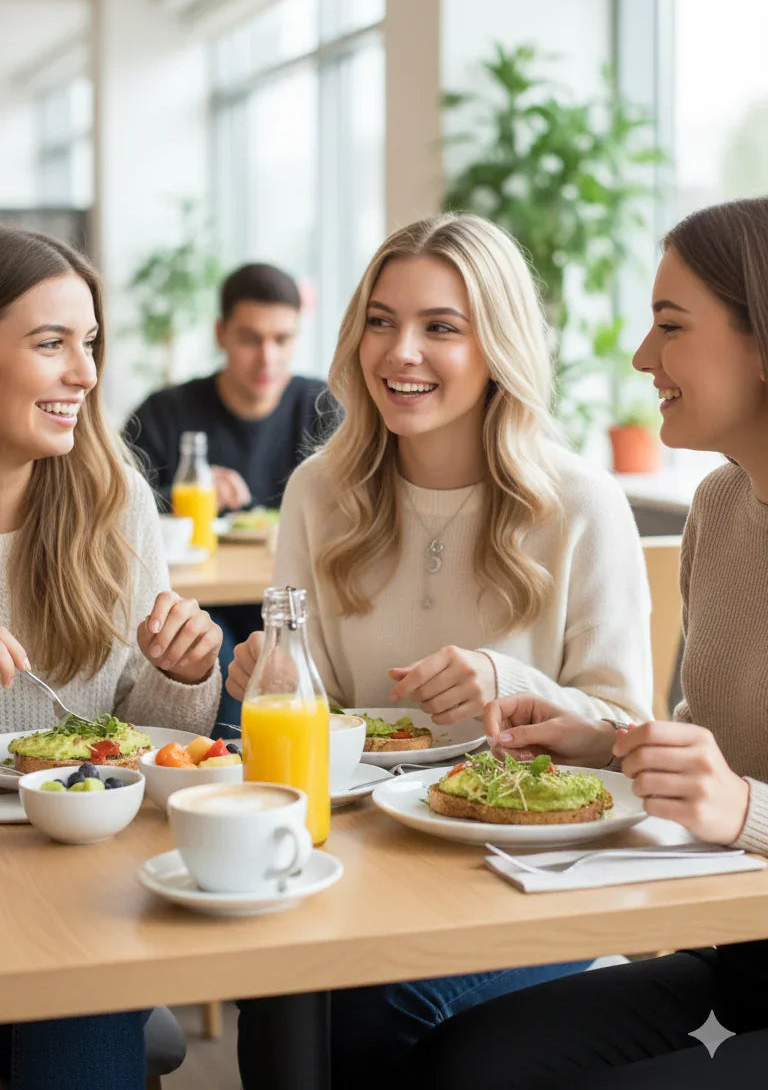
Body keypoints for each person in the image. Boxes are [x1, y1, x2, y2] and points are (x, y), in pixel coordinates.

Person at [228, 213, 653, 1088]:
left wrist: (509, 679)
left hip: (527, 876)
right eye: (381, 321)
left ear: (496, 346)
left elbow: (628, 734)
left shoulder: (579, 503)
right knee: (273, 994)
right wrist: (268, 677)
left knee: (367, 1010)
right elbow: (323, 712)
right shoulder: (320, 491)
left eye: (440, 328)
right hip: (363, 860)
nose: (400, 353)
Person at [404, 196, 768, 1090]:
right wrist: (602, 743)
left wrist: (743, 814)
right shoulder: (720, 512)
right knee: (461, 1066)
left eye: (670, 326)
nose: (643, 356)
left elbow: (735, 797)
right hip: (743, 965)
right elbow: (715, 750)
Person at [0, 225, 222, 1090]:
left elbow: (141, 739)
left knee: (75, 1014)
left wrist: (183, 673)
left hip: (83, 872)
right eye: (50, 343)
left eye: (89, 344)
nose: (86, 376)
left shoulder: (112, 496)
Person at [123, 261, 336, 738]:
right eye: (250, 339)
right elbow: (117, 499)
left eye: (282, 340)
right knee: (218, 647)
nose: (267, 358)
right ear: (220, 334)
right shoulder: (165, 412)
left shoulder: (322, 407)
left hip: (289, 600)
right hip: (201, 601)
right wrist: (181, 496)